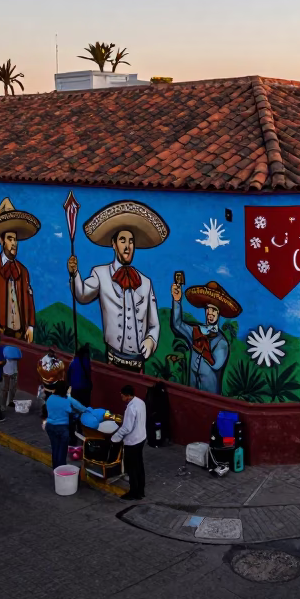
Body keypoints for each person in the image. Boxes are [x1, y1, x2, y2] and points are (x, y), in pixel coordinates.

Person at [69, 200, 169, 373]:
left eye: (131, 241)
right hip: (113, 359)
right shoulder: (100, 274)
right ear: (114, 245)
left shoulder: (145, 282)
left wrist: (151, 341)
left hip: (138, 363)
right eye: (123, 240)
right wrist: (74, 274)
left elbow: (154, 324)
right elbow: (82, 295)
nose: (128, 246)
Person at [0, 198, 39, 341]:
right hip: (0, 331)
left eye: (15, 239)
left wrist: (30, 326)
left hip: (20, 333)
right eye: (10, 239)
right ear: (1, 241)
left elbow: (29, 298)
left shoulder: (23, 270)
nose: (14, 243)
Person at [170, 277, 240, 393]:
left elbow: (217, 365)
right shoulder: (196, 330)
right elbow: (177, 325)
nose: (210, 314)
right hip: (192, 390)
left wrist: (204, 348)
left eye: (214, 311)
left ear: (219, 314)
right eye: (208, 310)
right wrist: (177, 301)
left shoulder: (221, 342)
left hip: (210, 394)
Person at [111, 384, 147, 500]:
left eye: (122, 395)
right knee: (139, 465)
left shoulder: (131, 409)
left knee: (131, 467)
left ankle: (134, 492)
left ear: (127, 396)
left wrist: (115, 437)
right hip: (141, 438)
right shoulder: (140, 402)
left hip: (133, 441)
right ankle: (141, 490)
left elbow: (127, 428)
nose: (121, 397)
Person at [44, 380, 87, 467]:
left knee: (55, 448)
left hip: (50, 427)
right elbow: (82, 409)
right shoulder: (67, 400)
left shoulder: (50, 398)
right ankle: (61, 470)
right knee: (62, 451)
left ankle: (55, 469)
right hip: (62, 428)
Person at [1, 345, 20, 410]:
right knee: (5, 389)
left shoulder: (13, 355)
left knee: (13, 389)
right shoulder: (5, 354)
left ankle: (10, 401)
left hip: (14, 372)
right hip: (6, 373)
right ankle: (3, 405)